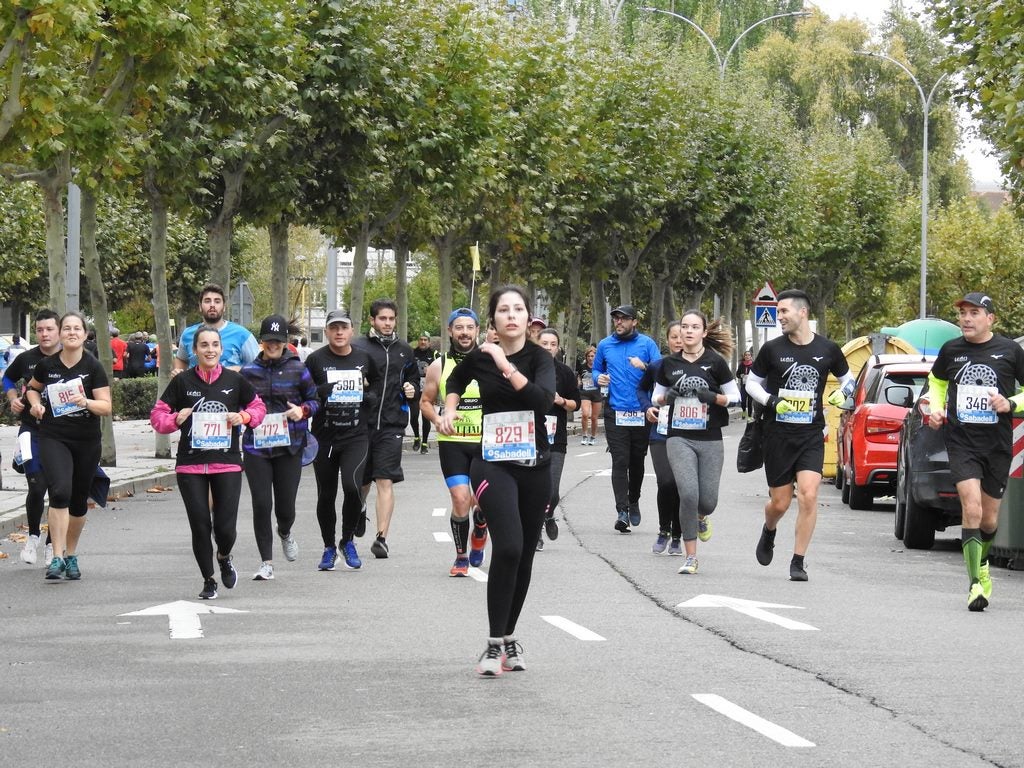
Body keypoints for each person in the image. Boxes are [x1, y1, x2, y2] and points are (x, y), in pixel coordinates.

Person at [438, 286, 556, 677]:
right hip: (493, 463)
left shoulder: (540, 358)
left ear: (527, 318)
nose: (511, 315)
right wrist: (450, 409)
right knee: (507, 547)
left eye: (518, 309)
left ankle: (509, 637)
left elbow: (542, 400)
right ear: (493, 320)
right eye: (503, 310)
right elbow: (453, 381)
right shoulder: (479, 357)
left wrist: (505, 364)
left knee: (523, 555)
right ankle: (492, 644)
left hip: (535, 464)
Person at [745, 289, 854, 581]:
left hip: (811, 433)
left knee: (808, 495)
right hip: (778, 434)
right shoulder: (772, 349)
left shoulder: (828, 349)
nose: (779, 317)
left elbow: (849, 381)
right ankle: (769, 530)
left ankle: (798, 561)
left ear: (802, 312)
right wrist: (771, 400)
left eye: (783, 311)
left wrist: (839, 396)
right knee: (780, 502)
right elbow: (751, 384)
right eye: (778, 312)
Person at [926, 292, 1024, 611]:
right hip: (961, 440)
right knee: (972, 509)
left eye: (974, 313)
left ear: (990, 318)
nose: (966, 319)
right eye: (963, 313)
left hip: (996, 444)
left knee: (989, 520)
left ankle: (981, 563)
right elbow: (937, 384)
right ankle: (975, 585)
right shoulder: (951, 350)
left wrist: (1010, 403)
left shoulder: (1010, 351)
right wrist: (937, 410)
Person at [151, 327, 266, 598]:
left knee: (225, 528)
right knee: (200, 523)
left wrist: (245, 418)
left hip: (226, 462)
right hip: (190, 464)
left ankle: (224, 555)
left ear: (221, 350)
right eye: (204, 345)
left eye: (215, 344)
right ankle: (208, 579)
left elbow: (259, 407)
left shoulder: (235, 381)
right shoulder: (182, 382)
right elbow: (158, 415)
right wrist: (174, 420)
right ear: (195, 350)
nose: (210, 350)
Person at [23, 311, 112, 580]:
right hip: (53, 436)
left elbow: (106, 407)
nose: (72, 333)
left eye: (77, 329)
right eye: (67, 328)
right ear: (60, 334)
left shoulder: (93, 367)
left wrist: (85, 402)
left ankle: (71, 554)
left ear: (85, 335)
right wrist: (36, 404)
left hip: (86, 440)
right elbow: (32, 388)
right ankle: (57, 557)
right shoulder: (47, 365)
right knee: (59, 491)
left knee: (77, 500)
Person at [653, 312, 740, 574]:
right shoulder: (668, 364)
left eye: (694, 327)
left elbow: (736, 397)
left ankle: (701, 517)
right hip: (678, 436)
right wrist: (667, 396)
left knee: (708, 502)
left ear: (703, 333)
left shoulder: (716, 362)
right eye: (684, 327)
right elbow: (656, 397)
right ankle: (691, 557)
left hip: (710, 437)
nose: (688, 331)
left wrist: (714, 398)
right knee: (688, 494)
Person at [240, 315, 320, 581]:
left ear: (285, 342)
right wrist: (245, 416)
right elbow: (240, 405)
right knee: (262, 504)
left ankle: (284, 531)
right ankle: (266, 562)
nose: (273, 345)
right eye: (269, 341)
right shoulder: (249, 372)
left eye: (278, 341)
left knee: (285, 507)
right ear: (262, 342)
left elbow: (315, 400)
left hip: (290, 447)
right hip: (256, 449)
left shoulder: (299, 370)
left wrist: (303, 410)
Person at [305, 310, 380, 571]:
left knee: (351, 486)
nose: (339, 332)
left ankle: (347, 541)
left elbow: (379, 387)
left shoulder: (364, 358)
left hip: (355, 436)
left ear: (351, 331)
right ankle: (328, 548)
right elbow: (304, 394)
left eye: (344, 327)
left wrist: (370, 397)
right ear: (326, 331)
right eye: (333, 327)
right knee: (326, 494)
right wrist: (320, 392)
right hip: (325, 437)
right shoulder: (315, 360)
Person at [420, 307, 489, 576]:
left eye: (469, 327)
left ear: (477, 331)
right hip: (453, 443)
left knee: (484, 503)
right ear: (450, 331)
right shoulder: (439, 366)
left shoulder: (490, 362)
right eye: (458, 327)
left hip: (485, 442)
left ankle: (481, 528)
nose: (464, 332)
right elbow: (425, 402)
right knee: (461, 499)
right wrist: (437, 421)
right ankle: (461, 556)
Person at [352, 298, 419, 559]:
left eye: (391, 319)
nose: (388, 323)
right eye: (383, 319)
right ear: (372, 320)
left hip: (392, 424)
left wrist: (412, 389)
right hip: (362, 424)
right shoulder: (359, 346)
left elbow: (413, 382)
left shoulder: (405, 350)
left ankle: (381, 537)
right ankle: (358, 509)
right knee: (362, 481)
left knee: (385, 479)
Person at [592, 305, 662, 533]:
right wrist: (598, 378)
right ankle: (621, 511)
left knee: (637, 461)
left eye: (624, 319)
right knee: (620, 461)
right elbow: (594, 371)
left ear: (634, 322)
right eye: (616, 319)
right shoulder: (605, 345)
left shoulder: (647, 344)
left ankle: (633, 500)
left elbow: (662, 371)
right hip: (615, 412)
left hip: (642, 410)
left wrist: (645, 366)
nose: (619, 323)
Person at [3, 309, 61, 565]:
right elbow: (7, 378)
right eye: (39, 329)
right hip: (31, 430)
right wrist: (14, 398)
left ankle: (52, 545)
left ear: (59, 330)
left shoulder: (70, 357)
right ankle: (33, 536)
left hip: (62, 433)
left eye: (49, 329)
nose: (44, 334)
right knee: (37, 485)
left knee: (58, 489)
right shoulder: (27, 358)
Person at [637, 322, 685, 557]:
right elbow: (641, 389)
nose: (678, 340)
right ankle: (663, 531)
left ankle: (677, 535)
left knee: (679, 485)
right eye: (673, 336)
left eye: (681, 335)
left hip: (687, 433)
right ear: (667, 340)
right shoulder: (657, 366)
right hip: (660, 432)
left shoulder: (700, 366)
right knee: (665, 482)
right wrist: (647, 407)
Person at [536, 328, 580, 551]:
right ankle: (536, 535)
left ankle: (549, 514)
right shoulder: (528, 369)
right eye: (544, 343)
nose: (548, 348)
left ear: (558, 347)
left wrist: (561, 400)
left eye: (553, 344)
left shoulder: (564, 373)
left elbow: (576, 404)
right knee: (534, 490)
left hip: (557, 437)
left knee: (552, 492)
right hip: (532, 436)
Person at [174, 283, 260, 373]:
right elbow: (181, 359)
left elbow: (258, 367)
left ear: (224, 307)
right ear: (200, 306)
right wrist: (178, 371)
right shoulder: (188, 334)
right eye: (207, 301)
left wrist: (238, 370)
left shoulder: (242, 335)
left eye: (217, 301)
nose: (212, 305)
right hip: (195, 386)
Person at [411, 333, 439, 454]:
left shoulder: (434, 354)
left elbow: (442, 368)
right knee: (413, 415)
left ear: (429, 342)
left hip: (428, 388)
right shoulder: (412, 353)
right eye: (421, 339)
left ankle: (425, 443)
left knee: (426, 416)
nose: (423, 342)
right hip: (415, 386)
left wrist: (432, 371)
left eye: (425, 340)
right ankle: (417, 437)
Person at [578, 345, 602, 445]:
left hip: (596, 393)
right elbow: (579, 376)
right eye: (589, 356)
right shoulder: (582, 367)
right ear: (586, 357)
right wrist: (579, 382)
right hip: (585, 393)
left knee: (594, 418)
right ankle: (584, 435)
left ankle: (593, 437)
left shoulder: (599, 367)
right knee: (585, 414)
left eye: (592, 356)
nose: (590, 358)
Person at [736, 351, 753, 419]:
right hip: (743, 385)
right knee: (743, 400)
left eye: (749, 355)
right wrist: (740, 376)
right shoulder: (741, 365)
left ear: (751, 357)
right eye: (746, 355)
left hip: (751, 386)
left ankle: (749, 416)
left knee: (750, 401)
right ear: (744, 356)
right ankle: (744, 411)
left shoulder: (753, 364)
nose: (747, 356)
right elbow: (737, 374)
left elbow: (757, 373)